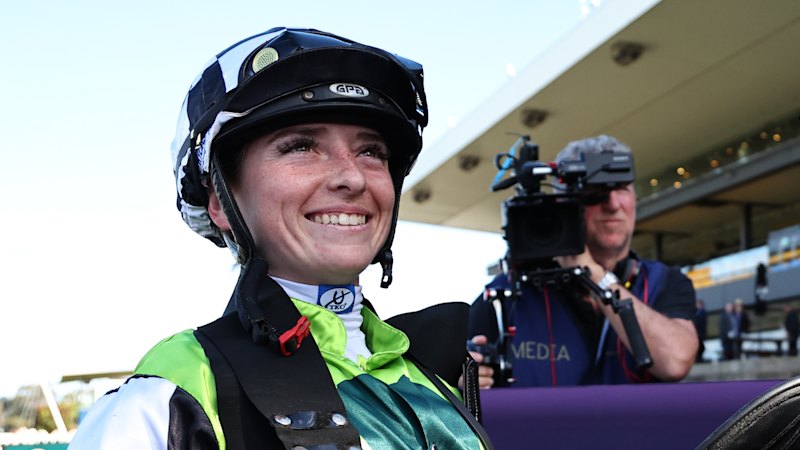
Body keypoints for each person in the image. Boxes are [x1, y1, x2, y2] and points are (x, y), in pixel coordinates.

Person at [69, 27, 491, 449]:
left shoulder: (434, 372)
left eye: (371, 152)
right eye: (302, 146)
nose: (352, 176)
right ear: (219, 201)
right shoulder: (174, 391)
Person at [467, 135, 698, 387]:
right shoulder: (507, 294)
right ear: (563, 202)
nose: (612, 204)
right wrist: (466, 378)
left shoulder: (663, 282)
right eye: (595, 192)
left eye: (621, 187)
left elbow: (675, 362)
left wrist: (595, 275)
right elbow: (451, 380)